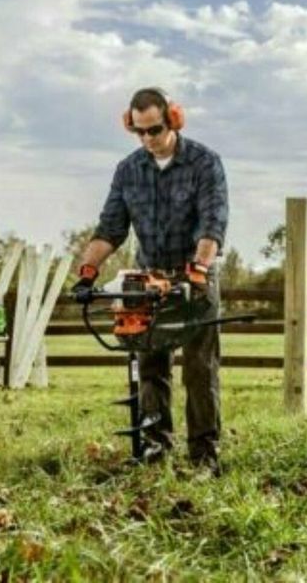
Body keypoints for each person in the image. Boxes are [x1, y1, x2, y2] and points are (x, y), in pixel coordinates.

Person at [73, 87, 229, 474]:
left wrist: (198, 270)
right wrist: (87, 272)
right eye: (138, 132)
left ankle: (204, 456)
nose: (147, 139)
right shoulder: (129, 170)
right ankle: (157, 448)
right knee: (151, 366)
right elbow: (110, 228)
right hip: (148, 278)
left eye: (154, 130)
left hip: (194, 276)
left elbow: (213, 223)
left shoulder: (204, 163)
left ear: (173, 120)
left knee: (199, 368)